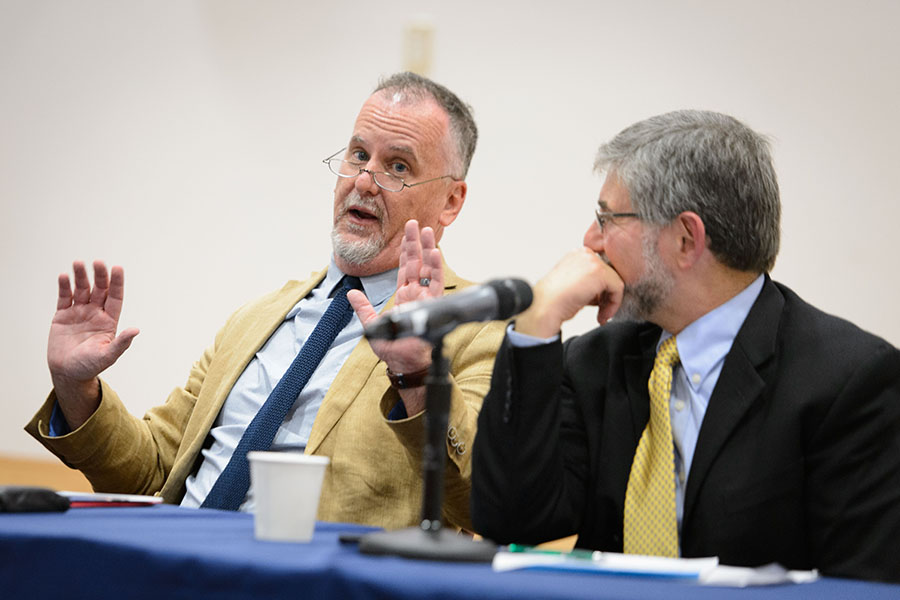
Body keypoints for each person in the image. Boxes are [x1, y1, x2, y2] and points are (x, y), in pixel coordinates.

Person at [26, 72, 506, 532]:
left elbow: (478, 501)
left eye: (397, 167)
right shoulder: (256, 318)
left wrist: (417, 375)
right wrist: (76, 386)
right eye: (358, 154)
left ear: (451, 201)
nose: (363, 180)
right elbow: (151, 469)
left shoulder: (474, 329)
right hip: (175, 560)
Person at [470, 110, 900, 582]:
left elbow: (863, 585)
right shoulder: (594, 362)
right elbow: (512, 521)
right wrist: (536, 324)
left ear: (685, 238)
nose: (590, 240)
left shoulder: (849, 380)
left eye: (607, 218)